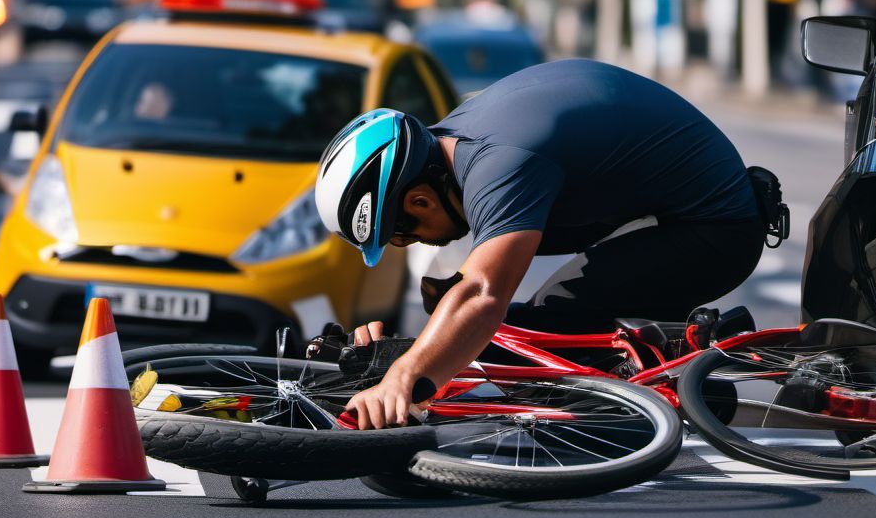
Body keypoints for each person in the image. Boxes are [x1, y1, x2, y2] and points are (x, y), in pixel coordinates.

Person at [315, 59, 765, 429]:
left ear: (419, 199)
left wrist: (405, 377)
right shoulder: (455, 144)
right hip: (663, 213)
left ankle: (678, 393)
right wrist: (404, 354)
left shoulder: (503, 162)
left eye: (401, 234)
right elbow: (453, 292)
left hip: (716, 229)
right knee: (507, 332)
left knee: (537, 329)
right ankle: (659, 374)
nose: (406, 244)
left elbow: (483, 296)